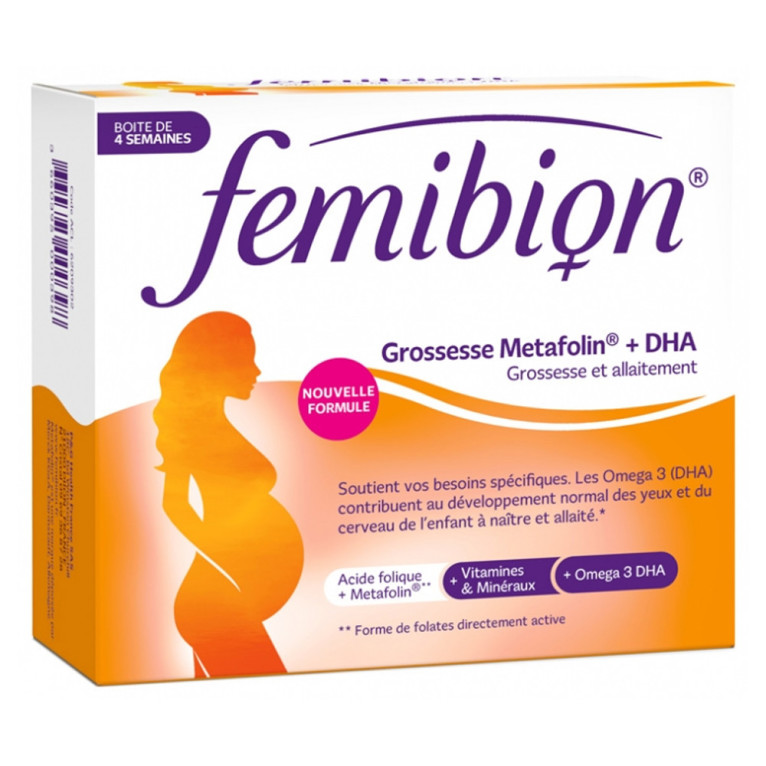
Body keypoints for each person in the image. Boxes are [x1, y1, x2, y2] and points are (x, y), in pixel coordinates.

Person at [154, 312, 303, 678]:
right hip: (218, 601)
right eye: (245, 360)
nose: (256, 370)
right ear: (215, 365)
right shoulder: (190, 431)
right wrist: (231, 562)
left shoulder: (216, 426)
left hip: (229, 600)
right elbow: (174, 503)